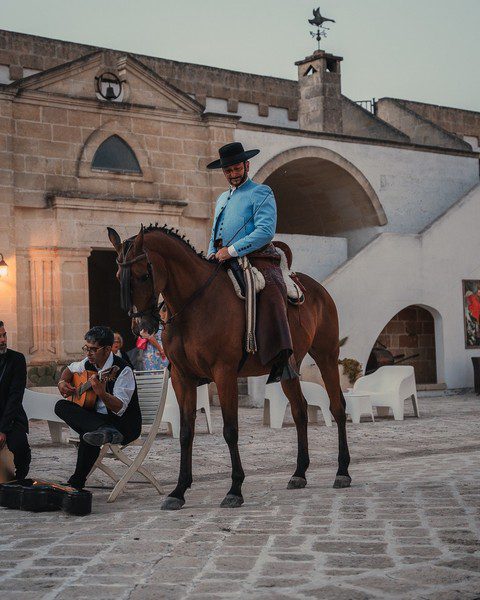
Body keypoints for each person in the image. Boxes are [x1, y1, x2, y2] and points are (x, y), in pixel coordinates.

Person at [206, 142, 296, 381]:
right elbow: (215, 234)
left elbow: (266, 231)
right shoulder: (222, 199)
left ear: (247, 165)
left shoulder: (262, 192)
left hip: (258, 257)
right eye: (228, 171)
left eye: (237, 169)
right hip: (221, 257)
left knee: (272, 290)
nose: (233, 175)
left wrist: (232, 251)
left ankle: (282, 358)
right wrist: (209, 256)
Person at [55, 326, 141, 490]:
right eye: (86, 348)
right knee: (61, 406)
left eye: (93, 349)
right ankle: (102, 431)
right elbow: (69, 369)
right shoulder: (87, 363)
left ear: (108, 349)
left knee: (89, 435)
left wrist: (101, 393)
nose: (88, 353)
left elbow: (119, 408)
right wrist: (62, 382)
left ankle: (76, 482)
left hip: (123, 424)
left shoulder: (122, 370)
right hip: (97, 421)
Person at [0, 321, 31, 481]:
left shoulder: (17, 359)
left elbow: (15, 396)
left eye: (4, 335)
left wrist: (2, 429)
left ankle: (20, 479)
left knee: (20, 447)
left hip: (11, 416)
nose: (3, 340)